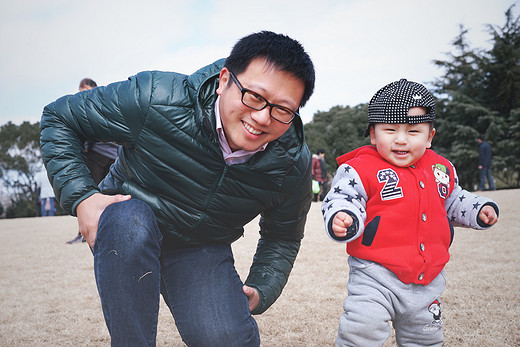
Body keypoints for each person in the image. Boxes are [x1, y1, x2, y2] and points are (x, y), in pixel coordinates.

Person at [40, 31, 315, 346]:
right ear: (225, 80)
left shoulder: (291, 162)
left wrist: (263, 287)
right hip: (129, 220)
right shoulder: (155, 97)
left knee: (226, 339)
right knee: (128, 222)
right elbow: (60, 117)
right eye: (254, 96)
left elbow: (283, 236)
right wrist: (82, 198)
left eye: (282, 110)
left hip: (201, 246)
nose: (262, 117)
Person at [322, 79, 499, 346]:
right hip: (374, 276)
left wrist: (479, 210)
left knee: (425, 340)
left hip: (428, 281)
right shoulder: (359, 168)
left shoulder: (441, 168)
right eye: (390, 130)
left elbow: (453, 199)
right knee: (361, 331)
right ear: (373, 134)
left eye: (413, 131)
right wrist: (343, 216)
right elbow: (342, 197)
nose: (401, 139)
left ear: (429, 137)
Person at [67, 78, 119, 244]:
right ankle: (84, 233)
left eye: (86, 91)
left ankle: (109, 230)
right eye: (81, 92)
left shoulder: (104, 104)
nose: (83, 95)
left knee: (110, 193)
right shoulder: (82, 107)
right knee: (89, 194)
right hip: (95, 155)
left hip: (112, 155)